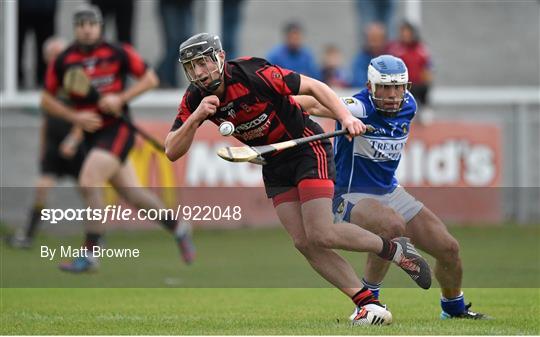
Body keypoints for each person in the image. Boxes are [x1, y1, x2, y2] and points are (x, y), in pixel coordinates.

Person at [165, 32, 432, 325]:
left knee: (322, 233)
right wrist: (196, 117)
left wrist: (345, 117)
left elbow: (314, 87)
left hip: (307, 147)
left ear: (219, 57)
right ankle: (367, 304)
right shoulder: (194, 97)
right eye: (192, 67)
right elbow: (172, 150)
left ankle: (394, 250)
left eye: (203, 63)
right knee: (304, 243)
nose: (199, 72)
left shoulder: (254, 73)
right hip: (273, 162)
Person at [298, 55, 487, 320]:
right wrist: (343, 117)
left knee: (449, 248)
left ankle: (453, 309)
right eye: (384, 87)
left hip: (390, 191)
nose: (392, 94)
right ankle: (369, 302)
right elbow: (309, 103)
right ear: (369, 86)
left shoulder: (409, 104)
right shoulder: (358, 107)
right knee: (391, 225)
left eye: (398, 86)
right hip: (349, 194)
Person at [40, 5, 195, 272]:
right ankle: (179, 227)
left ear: (100, 26)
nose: (87, 29)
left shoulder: (117, 52)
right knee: (134, 196)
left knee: (89, 180)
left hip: (118, 130)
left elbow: (150, 79)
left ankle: (90, 253)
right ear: (75, 28)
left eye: (92, 23)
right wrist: (75, 118)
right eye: (81, 24)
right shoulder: (64, 60)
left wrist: (120, 98)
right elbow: (46, 100)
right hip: (91, 134)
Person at [8, 37, 85, 249]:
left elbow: (86, 112)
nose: (56, 59)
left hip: (75, 145)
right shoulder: (50, 80)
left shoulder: (76, 79)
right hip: (53, 143)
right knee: (42, 187)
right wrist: (42, 146)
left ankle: (96, 236)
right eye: (51, 56)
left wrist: (75, 138)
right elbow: (46, 117)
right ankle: (29, 235)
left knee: (87, 190)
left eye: (59, 54)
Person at [388, 21, 434, 124]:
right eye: (403, 32)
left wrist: (427, 80)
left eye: (407, 32)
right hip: (401, 85)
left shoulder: (422, 49)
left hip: (419, 84)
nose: (405, 35)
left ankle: (425, 110)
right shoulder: (396, 49)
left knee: (423, 91)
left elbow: (428, 66)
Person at [17, 0, 58, 88]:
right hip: (23, 8)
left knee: (47, 49)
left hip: (45, 8)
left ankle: (46, 80)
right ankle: (18, 79)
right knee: (16, 47)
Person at [156, 0, 194, 88]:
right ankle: (165, 77)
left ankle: (162, 75)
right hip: (170, 4)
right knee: (175, 43)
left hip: (185, 4)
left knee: (186, 42)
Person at [350, 22, 388, 88]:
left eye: (377, 38)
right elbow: (359, 82)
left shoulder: (390, 59)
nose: (373, 42)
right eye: (371, 38)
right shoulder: (360, 60)